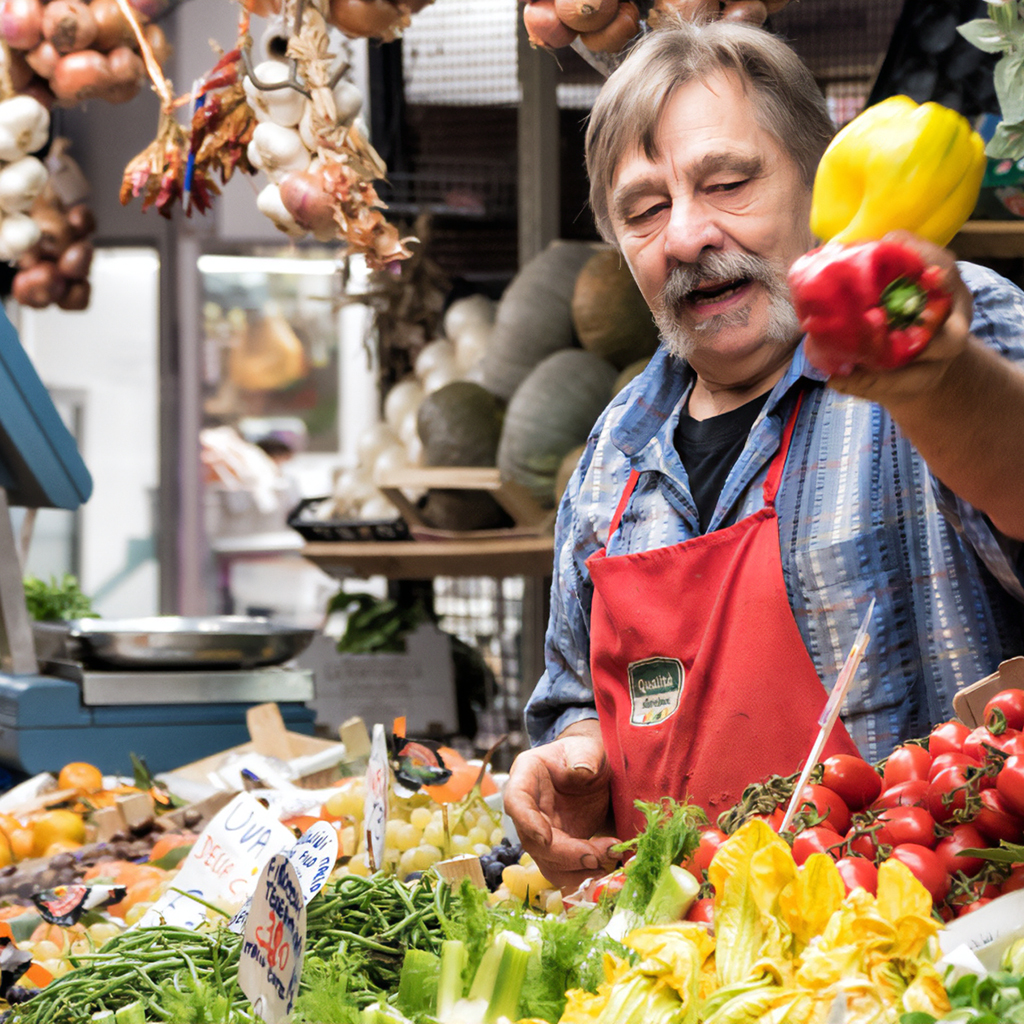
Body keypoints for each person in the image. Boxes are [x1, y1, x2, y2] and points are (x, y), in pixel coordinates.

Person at [503, 17, 1024, 892]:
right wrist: (579, 762)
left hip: (936, 959)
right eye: (644, 209)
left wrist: (934, 381)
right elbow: (576, 699)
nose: (686, 236)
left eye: (728, 183)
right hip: (687, 972)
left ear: (819, 180)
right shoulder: (611, 457)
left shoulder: (943, 320)